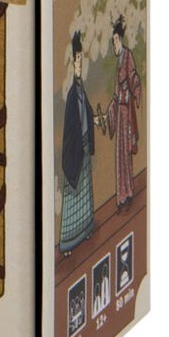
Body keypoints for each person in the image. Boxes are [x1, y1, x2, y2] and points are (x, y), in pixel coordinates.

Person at [58, 29, 95, 256]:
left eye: (82, 60)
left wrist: (94, 120)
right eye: (77, 60)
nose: (80, 64)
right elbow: (70, 129)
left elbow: (87, 113)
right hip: (75, 152)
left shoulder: (81, 90)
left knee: (85, 197)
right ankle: (68, 243)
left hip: (84, 146)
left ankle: (86, 229)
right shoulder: (73, 94)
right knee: (73, 199)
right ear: (72, 63)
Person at [110, 15, 142, 210]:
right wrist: (108, 114)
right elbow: (116, 94)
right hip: (119, 114)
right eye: (112, 40)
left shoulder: (127, 56)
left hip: (126, 112)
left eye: (115, 39)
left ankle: (128, 193)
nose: (113, 43)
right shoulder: (118, 63)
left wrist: (136, 92)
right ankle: (121, 196)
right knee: (120, 155)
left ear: (120, 39)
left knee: (126, 154)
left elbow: (133, 77)